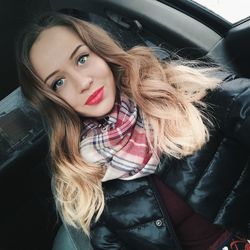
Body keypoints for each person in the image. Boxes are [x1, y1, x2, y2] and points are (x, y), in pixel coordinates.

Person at [16, 11, 250, 250]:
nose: (82, 82)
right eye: (59, 82)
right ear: (52, 100)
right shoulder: (84, 180)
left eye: (82, 59)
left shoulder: (177, 89)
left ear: (101, 52)